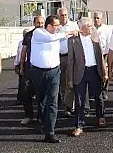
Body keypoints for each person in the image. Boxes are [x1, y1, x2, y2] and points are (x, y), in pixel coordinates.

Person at [30, 14, 80, 143]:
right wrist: (68, 32)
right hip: (38, 72)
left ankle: (50, 132)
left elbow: (60, 40)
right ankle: (42, 123)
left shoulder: (57, 35)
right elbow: (51, 38)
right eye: (56, 25)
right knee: (41, 100)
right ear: (49, 26)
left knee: (53, 101)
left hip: (54, 71)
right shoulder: (38, 33)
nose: (58, 28)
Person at [67, 18, 108, 136]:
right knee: (80, 99)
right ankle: (79, 125)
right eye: (89, 26)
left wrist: (104, 72)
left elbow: (100, 56)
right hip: (80, 72)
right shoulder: (72, 41)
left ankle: (101, 116)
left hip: (95, 70)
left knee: (98, 96)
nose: (92, 27)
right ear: (83, 28)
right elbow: (70, 61)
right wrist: (70, 79)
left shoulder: (95, 38)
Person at [19, 16, 45, 125]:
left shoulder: (47, 35)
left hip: (42, 68)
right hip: (29, 68)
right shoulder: (29, 35)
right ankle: (29, 116)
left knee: (41, 94)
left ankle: (41, 116)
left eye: (42, 23)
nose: (40, 24)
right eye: (38, 22)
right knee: (26, 93)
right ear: (34, 23)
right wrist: (21, 66)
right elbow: (23, 51)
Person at [57, 7, 79, 116]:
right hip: (58, 57)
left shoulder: (73, 25)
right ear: (58, 16)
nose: (64, 17)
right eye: (62, 15)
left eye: (66, 15)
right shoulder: (56, 27)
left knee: (70, 81)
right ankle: (64, 101)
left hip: (70, 56)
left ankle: (69, 105)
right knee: (62, 81)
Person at [14, 30, 29, 104]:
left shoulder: (32, 41)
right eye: (24, 34)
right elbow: (18, 54)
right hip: (21, 63)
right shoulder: (20, 43)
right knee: (21, 82)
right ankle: (20, 99)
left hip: (29, 63)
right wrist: (16, 64)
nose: (25, 35)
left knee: (27, 82)